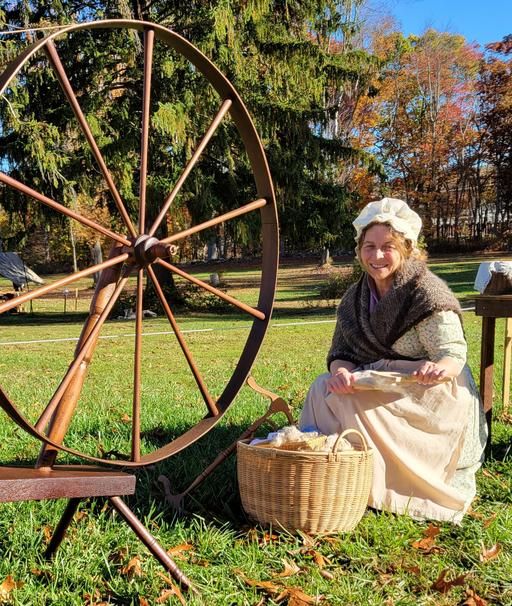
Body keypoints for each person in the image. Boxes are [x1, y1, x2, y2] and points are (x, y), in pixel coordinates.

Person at [299, 197, 487, 523]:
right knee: (322, 390)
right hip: (376, 380)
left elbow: (453, 354)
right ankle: (333, 476)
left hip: (427, 388)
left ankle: (389, 487)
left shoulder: (425, 292)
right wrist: (341, 373)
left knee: (359, 405)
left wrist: (438, 369)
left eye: (387, 246)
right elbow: (340, 354)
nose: (376, 256)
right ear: (359, 250)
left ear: (406, 248)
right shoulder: (354, 299)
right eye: (369, 247)